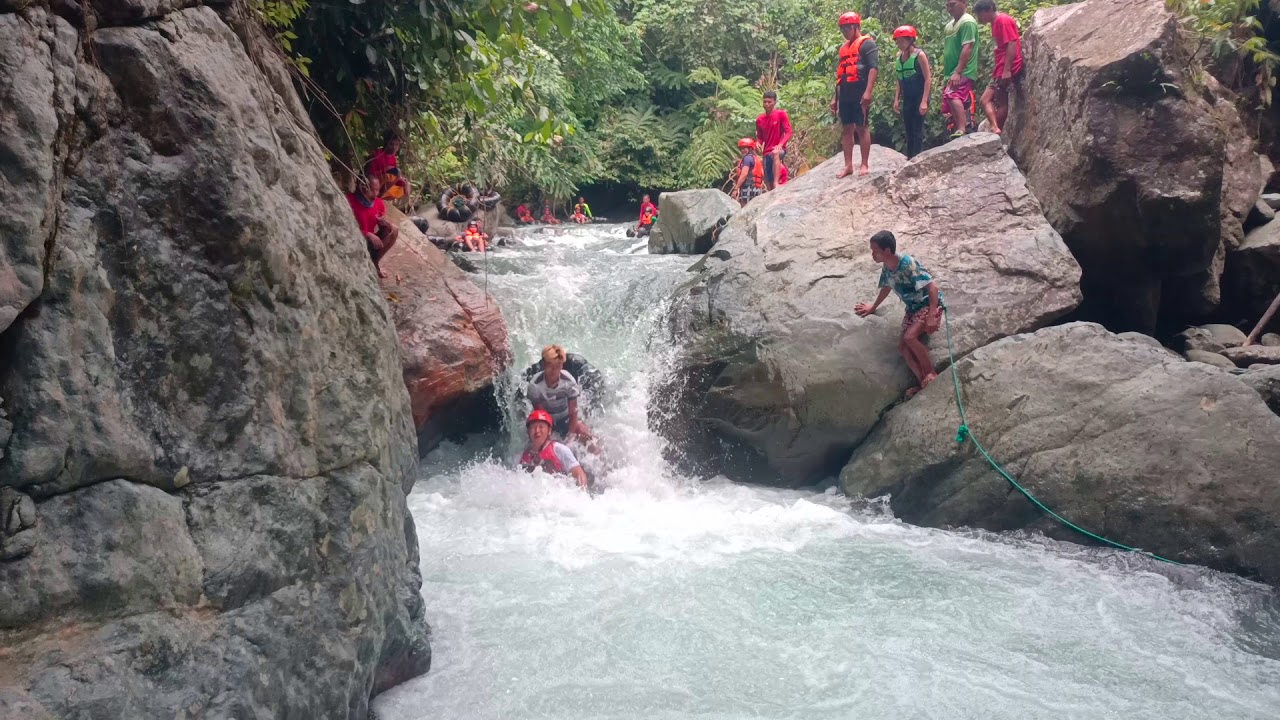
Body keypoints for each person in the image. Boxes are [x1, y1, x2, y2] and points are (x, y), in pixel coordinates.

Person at [854, 230, 945, 399]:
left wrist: (932, 315)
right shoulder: (888, 267)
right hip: (912, 309)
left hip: (926, 305)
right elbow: (887, 286)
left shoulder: (908, 264)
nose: (872, 254)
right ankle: (923, 382)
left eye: (875, 251)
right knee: (903, 347)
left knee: (910, 337)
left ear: (887, 250)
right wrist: (873, 307)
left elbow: (933, 287)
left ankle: (930, 372)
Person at [831, 12, 878, 178]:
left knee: (861, 127)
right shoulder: (844, 48)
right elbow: (840, 75)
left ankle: (864, 164)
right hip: (845, 93)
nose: (844, 32)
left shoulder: (867, 44)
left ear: (856, 27)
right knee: (846, 128)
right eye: (842, 29)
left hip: (860, 91)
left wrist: (868, 92)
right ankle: (848, 165)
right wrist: (835, 98)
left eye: (847, 28)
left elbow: (873, 68)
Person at [527, 344, 596, 445]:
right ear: (544, 365)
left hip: (565, 417)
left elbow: (573, 413)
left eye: (557, 366)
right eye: (550, 366)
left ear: (562, 366)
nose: (553, 370)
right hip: (547, 419)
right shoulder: (535, 385)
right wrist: (548, 437)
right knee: (538, 438)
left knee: (586, 434)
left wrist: (570, 439)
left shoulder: (569, 381)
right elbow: (541, 415)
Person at [974, 0, 1023, 135]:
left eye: (981, 14)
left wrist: (1007, 70)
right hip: (1000, 67)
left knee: (997, 101)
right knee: (986, 100)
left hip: (1006, 68)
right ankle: (995, 128)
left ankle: (995, 130)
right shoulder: (995, 22)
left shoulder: (1003, 20)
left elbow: (1012, 44)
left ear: (989, 9)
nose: (980, 18)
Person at [519, 409, 590, 490]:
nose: (537, 431)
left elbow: (578, 473)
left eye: (541, 427)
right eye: (533, 427)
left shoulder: (559, 449)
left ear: (549, 431)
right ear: (528, 432)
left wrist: (581, 491)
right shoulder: (522, 456)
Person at [346, 172, 399, 278]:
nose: (376, 193)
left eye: (378, 190)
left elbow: (385, 228)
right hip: (354, 240)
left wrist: (385, 223)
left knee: (394, 229)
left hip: (370, 242)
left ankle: (374, 262)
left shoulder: (378, 203)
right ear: (363, 188)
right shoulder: (349, 200)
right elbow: (345, 227)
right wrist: (367, 234)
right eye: (373, 190)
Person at [892, 25, 932, 158]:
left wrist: (924, 101)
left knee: (917, 129)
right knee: (908, 129)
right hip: (908, 97)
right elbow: (899, 80)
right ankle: (910, 157)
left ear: (910, 40)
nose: (900, 44)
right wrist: (896, 99)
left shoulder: (920, 55)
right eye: (898, 41)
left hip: (920, 96)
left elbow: (928, 79)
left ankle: (917, 157)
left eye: (902, 41)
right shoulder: (899, 57)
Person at [942, 0, 980, 138]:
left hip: (963, 70)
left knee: (952, 94)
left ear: (964, 3)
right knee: (950, 97)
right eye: (947, 6)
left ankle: (962, 128)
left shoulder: (967, 22)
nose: (950, 8)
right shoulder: (949, 26)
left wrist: (958, 72)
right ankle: (959, 129)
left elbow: (968, 47)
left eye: (953, 5)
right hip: (951, 71)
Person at [755, 91, 792, 191]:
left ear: (775, 102)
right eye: (765, 102)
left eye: (769, 102)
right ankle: (772, 189)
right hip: (766, 151)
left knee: (776, 153)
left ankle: (776, 183)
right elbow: (760, 137)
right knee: (768, 180)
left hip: (779, 149)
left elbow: (788, 132)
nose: (766, 104)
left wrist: (780, 144)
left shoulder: (781, 114)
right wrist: (758, 142)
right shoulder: (759, 119)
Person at [364, 130, 410, 201]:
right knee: (389, 176)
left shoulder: (393, 158)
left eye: (397, 145)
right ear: (386, 143)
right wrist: (384, 170)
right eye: (391, 144)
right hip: (373, 184)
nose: (394, 147)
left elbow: (395, 178)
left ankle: (380, 198)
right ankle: (377, 197)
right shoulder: (377, 154)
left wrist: (405, 183)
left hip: (383, 187)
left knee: (401, 189)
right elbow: (369, 174)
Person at [730, 138, 765, 207]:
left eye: (744, 148)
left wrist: (736, 189)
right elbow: (762, 174)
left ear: (750, 148)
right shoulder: (756, 159)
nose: (742, 150)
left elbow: (744, 175)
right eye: (741, 148)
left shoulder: (747, 159)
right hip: (757, 189)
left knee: (745, 208)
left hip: (748, 187)